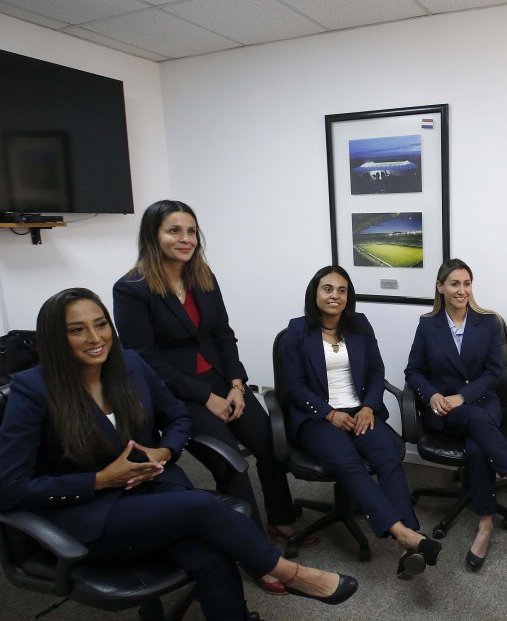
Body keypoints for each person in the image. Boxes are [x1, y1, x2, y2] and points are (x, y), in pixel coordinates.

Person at [0, 288, 358, 621]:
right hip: (91, 514)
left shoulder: (131, 365)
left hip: (154, 493)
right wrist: (99, 479)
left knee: (211, 555)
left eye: (100, 324)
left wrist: (167, 450)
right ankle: (290, 573)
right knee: (203, 507)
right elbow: (10, 487)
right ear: (55, 338)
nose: (95, 339)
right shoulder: (32, 390)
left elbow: (178, 416)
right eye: (77, 330)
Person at [113, 200, 315, 595]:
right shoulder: (132, 289)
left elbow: (223, 334)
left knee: (271, 443)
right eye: (174, 231)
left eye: (191, 231)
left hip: (224, 382)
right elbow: (145, 359)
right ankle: (256, 554)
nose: (185, 239)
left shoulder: (202, 277)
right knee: (231, 462)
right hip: (177, 395)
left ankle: (280, 518)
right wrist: (206, 398)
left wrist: (237, 385)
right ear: (153, 235)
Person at [281, 265, 442, 578]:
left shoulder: (359, 325)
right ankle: (407, 535)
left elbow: (376, 372)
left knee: (389, 457)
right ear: (315, 293)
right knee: (349, 463)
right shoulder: (297, 331)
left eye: (342, 290)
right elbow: (294, 386)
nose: (335, 296)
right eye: (328, 289)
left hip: (359, 411)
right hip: (318, 419)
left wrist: (368, 407)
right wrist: (329, 413)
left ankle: (406, 546)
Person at [405, 258, 507, 571]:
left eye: (467, 283)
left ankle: (485, 525)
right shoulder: (427, 325)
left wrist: (465, 396)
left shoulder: (488, 322)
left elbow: (494, 372)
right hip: (444, 408)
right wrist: (434, 395)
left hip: (480, 401)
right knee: (478, 429)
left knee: (477, 442)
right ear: (440, 287)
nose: (462, 290)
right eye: (454, 284)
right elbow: (414, 371)